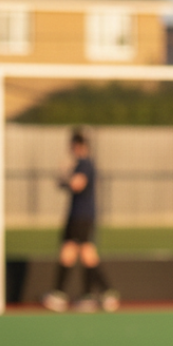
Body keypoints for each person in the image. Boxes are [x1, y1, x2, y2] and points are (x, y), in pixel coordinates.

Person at [42, 129, 118, 312]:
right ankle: (100, 294)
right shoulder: (84, 163)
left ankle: (62, 294)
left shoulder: (84, 163)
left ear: (76, 145)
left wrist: (64, 176)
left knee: (72, 252)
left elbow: (78, 184)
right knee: (86, 254)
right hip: (80, 216)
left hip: (81, 217)